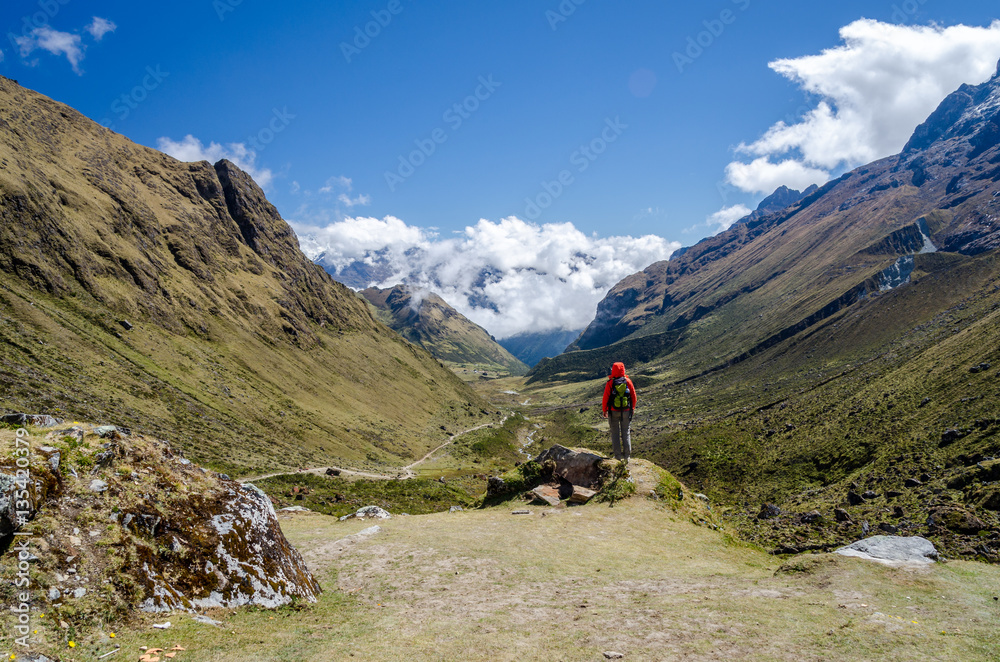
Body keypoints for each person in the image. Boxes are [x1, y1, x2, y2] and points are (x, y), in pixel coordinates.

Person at [601, 361, 637, 462]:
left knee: (615, 434)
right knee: (626, 433)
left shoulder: (610, 383)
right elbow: (634, 396)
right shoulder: (628, 381)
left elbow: (605, 398)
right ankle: (627, 457)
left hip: (613, 411)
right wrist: (632, 408)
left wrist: (605, 410)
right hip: (626, 411)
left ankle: (617, 457)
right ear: (623, 369)